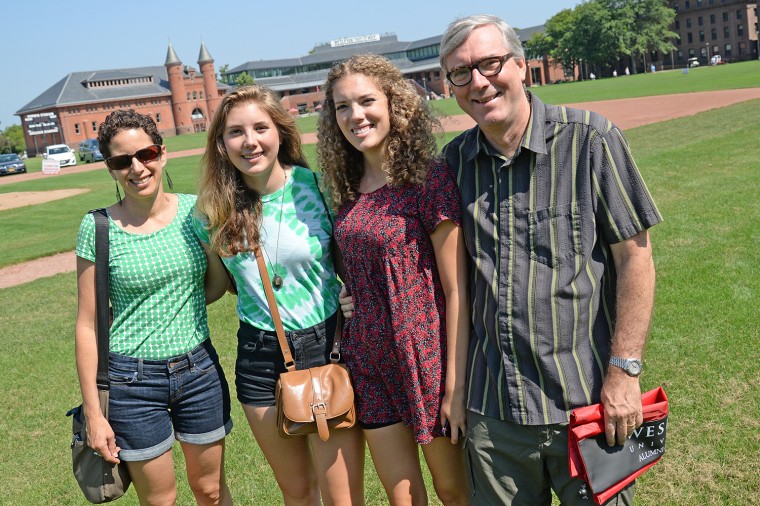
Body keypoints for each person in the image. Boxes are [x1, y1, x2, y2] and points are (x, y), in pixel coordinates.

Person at [437, 14, 662, 505]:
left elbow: (635, 259)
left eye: (490, 63)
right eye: (460, 72)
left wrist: (624, 372)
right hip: (494, 413)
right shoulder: (452, 165)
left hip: (583, 403)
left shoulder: (590, 140)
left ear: (521, 66)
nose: (478, 82)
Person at [193, 85, 365, 506]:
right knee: (297, 493)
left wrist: (358, 296)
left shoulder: (318, 187)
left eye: (260, 128)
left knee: (342, 497)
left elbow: (353, 258)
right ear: (221, 143)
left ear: (280, 133)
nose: (249, 141)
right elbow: (216, 286)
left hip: (327, 346)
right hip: (259, 356)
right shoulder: (212, 212)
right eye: (236, 132)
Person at [318, 54, 470, 505]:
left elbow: (456, 287)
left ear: (393, 103)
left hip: (426, 356)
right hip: (368, 360)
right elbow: (358, 262)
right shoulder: (345, 185)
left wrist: (455, 386)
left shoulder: (427, 176)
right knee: (402, 497)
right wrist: (353, 295)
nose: (355, 115)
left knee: (453, 491)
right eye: (342, 106)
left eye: (366, 101)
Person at [74, 109, 233, 505]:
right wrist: (95, 415)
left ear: (161, 154)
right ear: (110, 169)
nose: (137, 168)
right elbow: (88, 325)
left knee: (211, 491)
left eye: (145, 154)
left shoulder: (197, 211)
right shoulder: (97, 227)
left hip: (199, 371)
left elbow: (214, 286)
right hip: (132, 381)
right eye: (121, 161)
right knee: (161, 500)